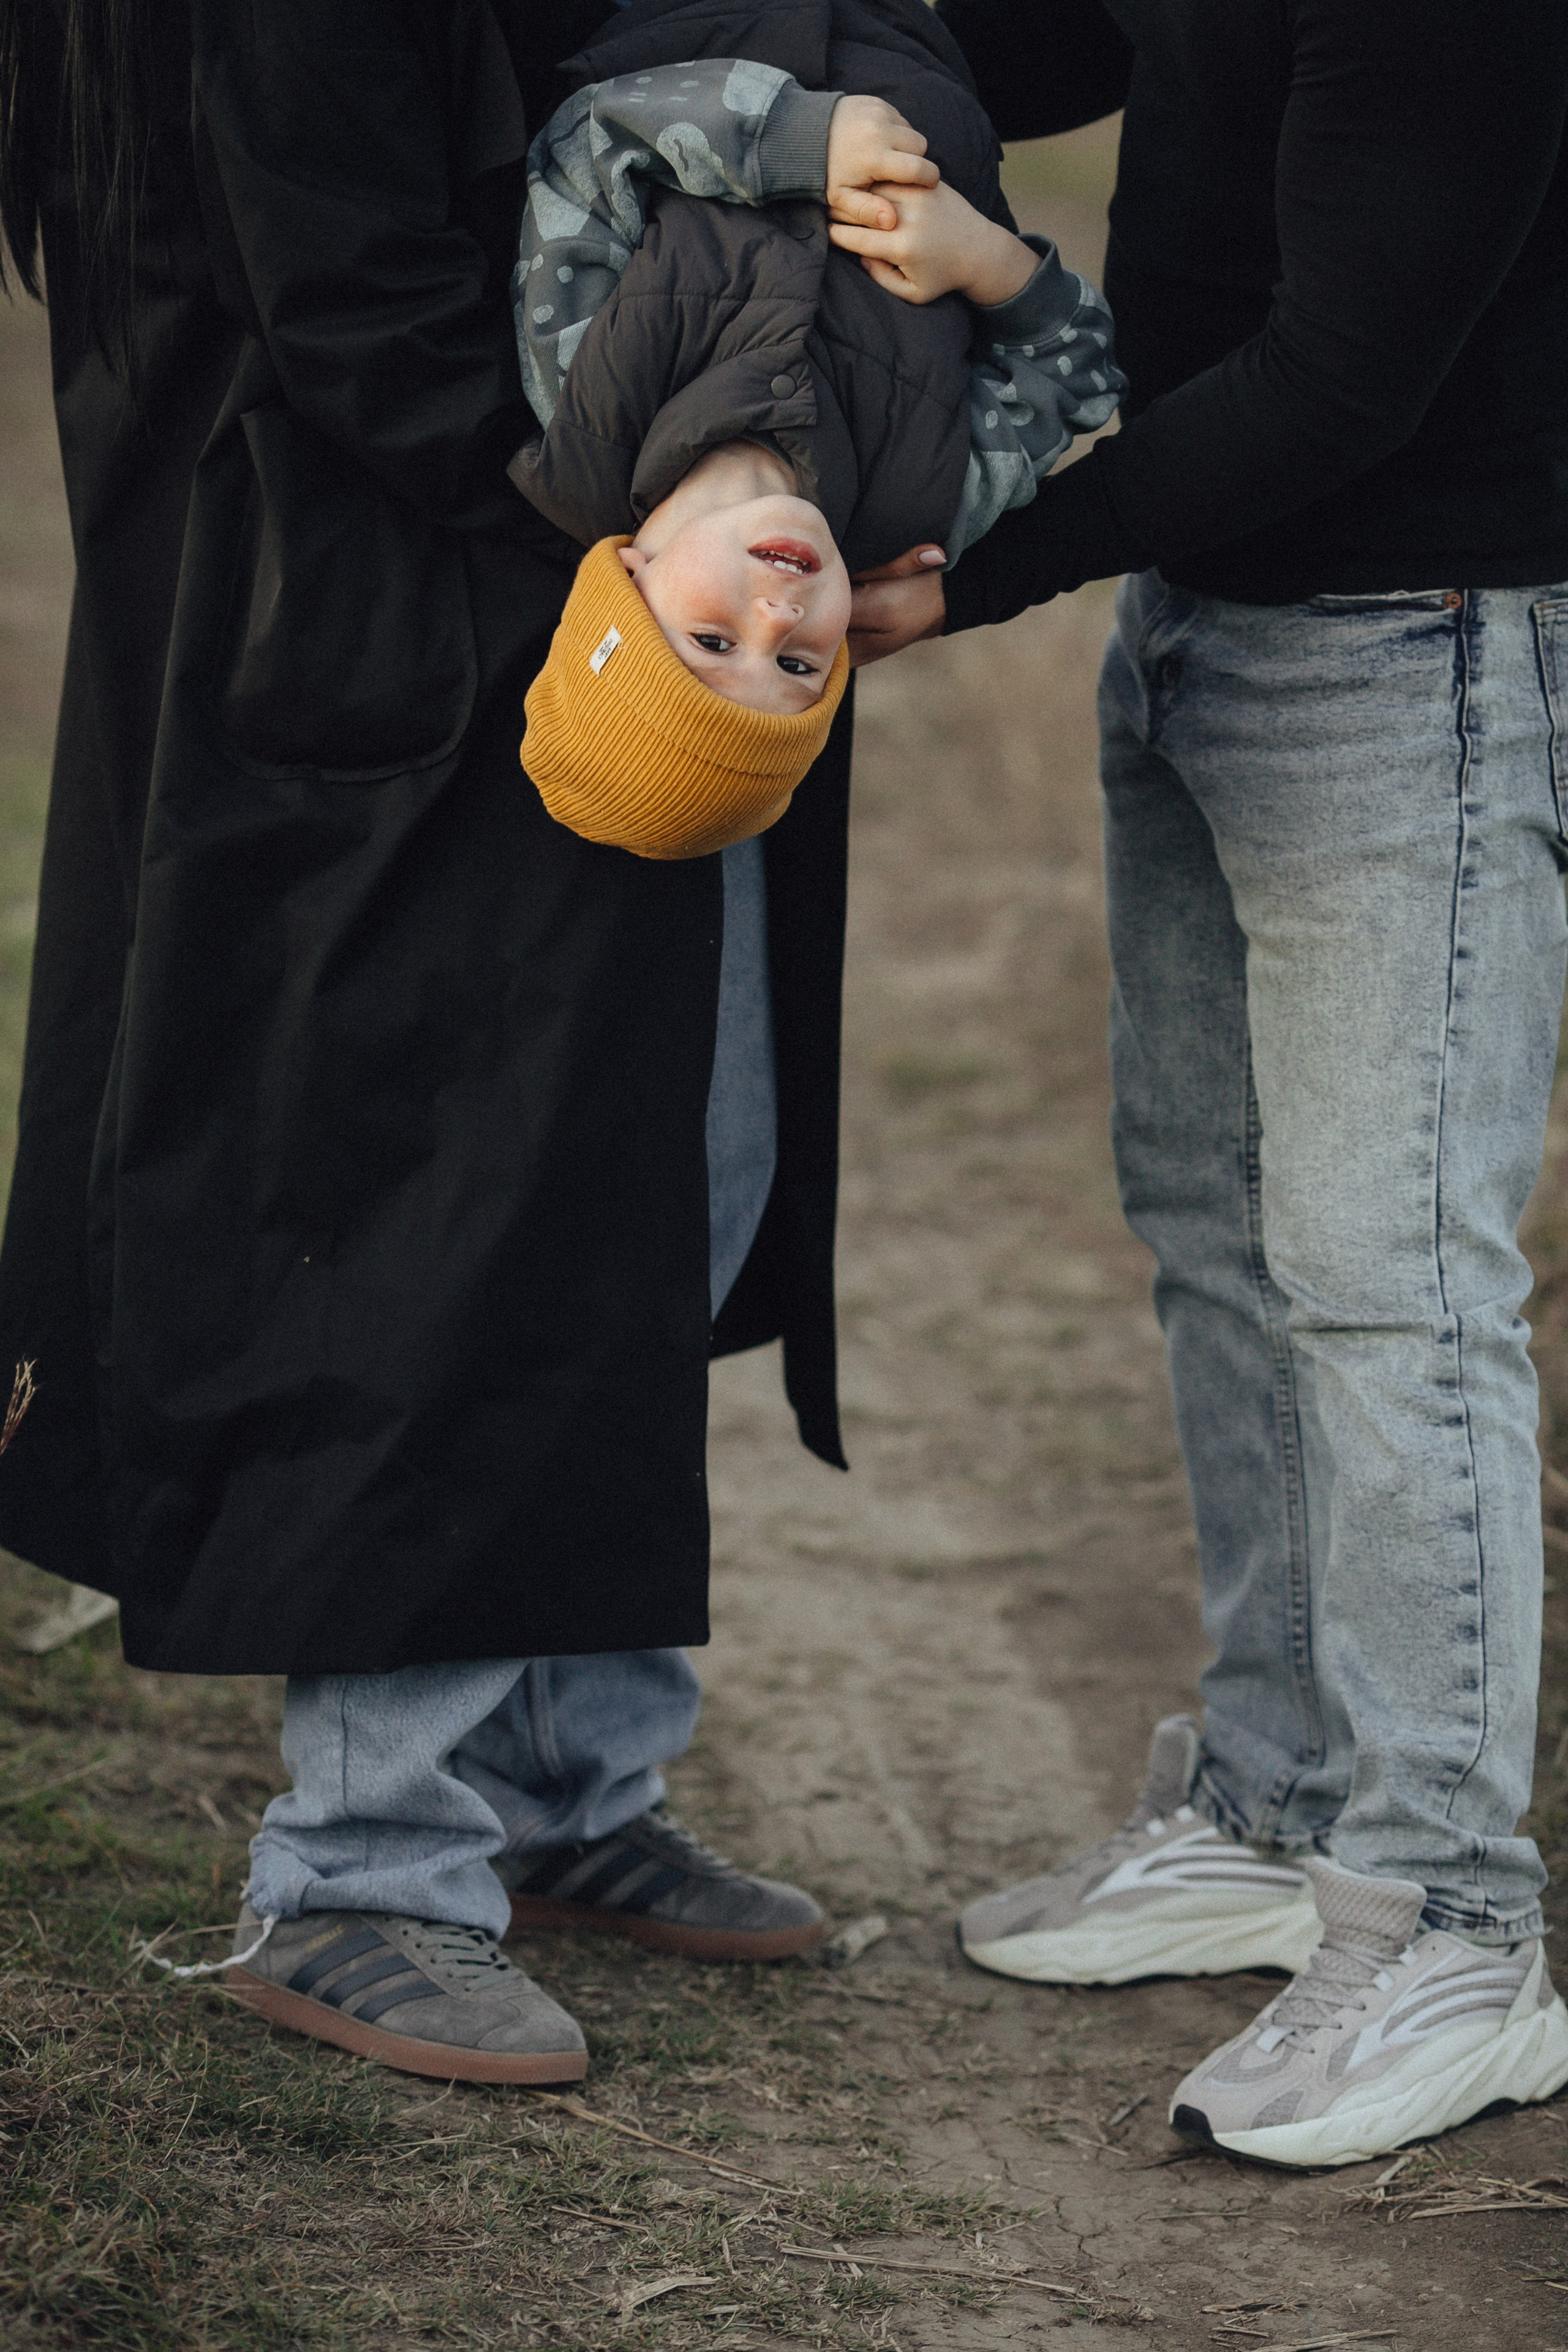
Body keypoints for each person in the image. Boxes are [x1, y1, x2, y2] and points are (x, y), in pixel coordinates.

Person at [0, 0, 910, 2087]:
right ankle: (362, 1871)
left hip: (562, 596)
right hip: (386, 632)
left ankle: (561, 1782)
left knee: (661, 1177)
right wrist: (695, 472)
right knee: (436, 1231)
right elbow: (357, 302)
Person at [850, 0, 1568, 2166]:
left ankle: (1451, 1919)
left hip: (1411, 652)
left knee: (1385, 1287)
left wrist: (974, 576)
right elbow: (1022, 39)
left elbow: (1344, 379)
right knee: (1219, 1227)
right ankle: (1272, 1806)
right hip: (1213, 623)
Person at [508, 37, 1120, 858]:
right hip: (909, 42)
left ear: (629, 578)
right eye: (799, 667)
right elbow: (1076, 376)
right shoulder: (925, 503)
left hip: (709, 22)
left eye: (714, 644)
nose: (777, 618)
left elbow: (584, 152)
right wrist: (984, 260)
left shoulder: (584, 397)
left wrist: (792, 141)